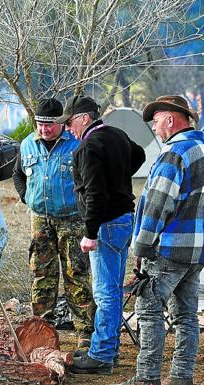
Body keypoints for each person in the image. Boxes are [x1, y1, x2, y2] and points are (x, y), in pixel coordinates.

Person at [55, 95, 145, 375]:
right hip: (125, 218)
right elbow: (139, 153)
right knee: (114, 291)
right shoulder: (116, 134)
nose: (68, 128)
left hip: (105, 225)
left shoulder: (88, 147)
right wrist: (118, 178)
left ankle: (102, 355)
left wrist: (90, 232)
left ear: (84, 118)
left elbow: (94, 193)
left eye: (69, 122)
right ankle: (109, 347)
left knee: (104, 293)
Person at [119, 96, 202, 385]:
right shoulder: (201, 149)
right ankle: (181, 378)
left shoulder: (175, 154)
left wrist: (140, 248)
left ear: (171, 120)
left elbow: (157, 205)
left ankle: (147, 378)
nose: (155, 127)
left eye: (157, 120)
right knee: (187, 317)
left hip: (167, 250)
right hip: (197, 253)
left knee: (148, 310)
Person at [12, 98, 95, 347]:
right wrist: (27, 197)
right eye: (39, 124)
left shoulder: (77, 144)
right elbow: (18, 174)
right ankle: (41, 331)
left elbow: (89, 181)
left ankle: (84, 333)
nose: (44, 130)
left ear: (60, 123)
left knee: (76, 275)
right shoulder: (27, 145)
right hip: (40, 220)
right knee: (41, 275)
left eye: (49, 125)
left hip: (71, 220)